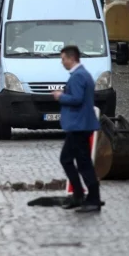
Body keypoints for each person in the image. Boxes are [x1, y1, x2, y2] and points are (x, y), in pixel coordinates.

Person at [51, 46, 102, 213]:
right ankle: (81, 195)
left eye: (63, 58)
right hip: (80, 125)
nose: (62, 62)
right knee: (80, 161)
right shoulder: (82, 74)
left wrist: (60, 96)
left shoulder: (78, 76)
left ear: (71, 58)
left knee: (74, 161)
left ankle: (89, 197)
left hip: (79, 126)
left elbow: (77, 99)